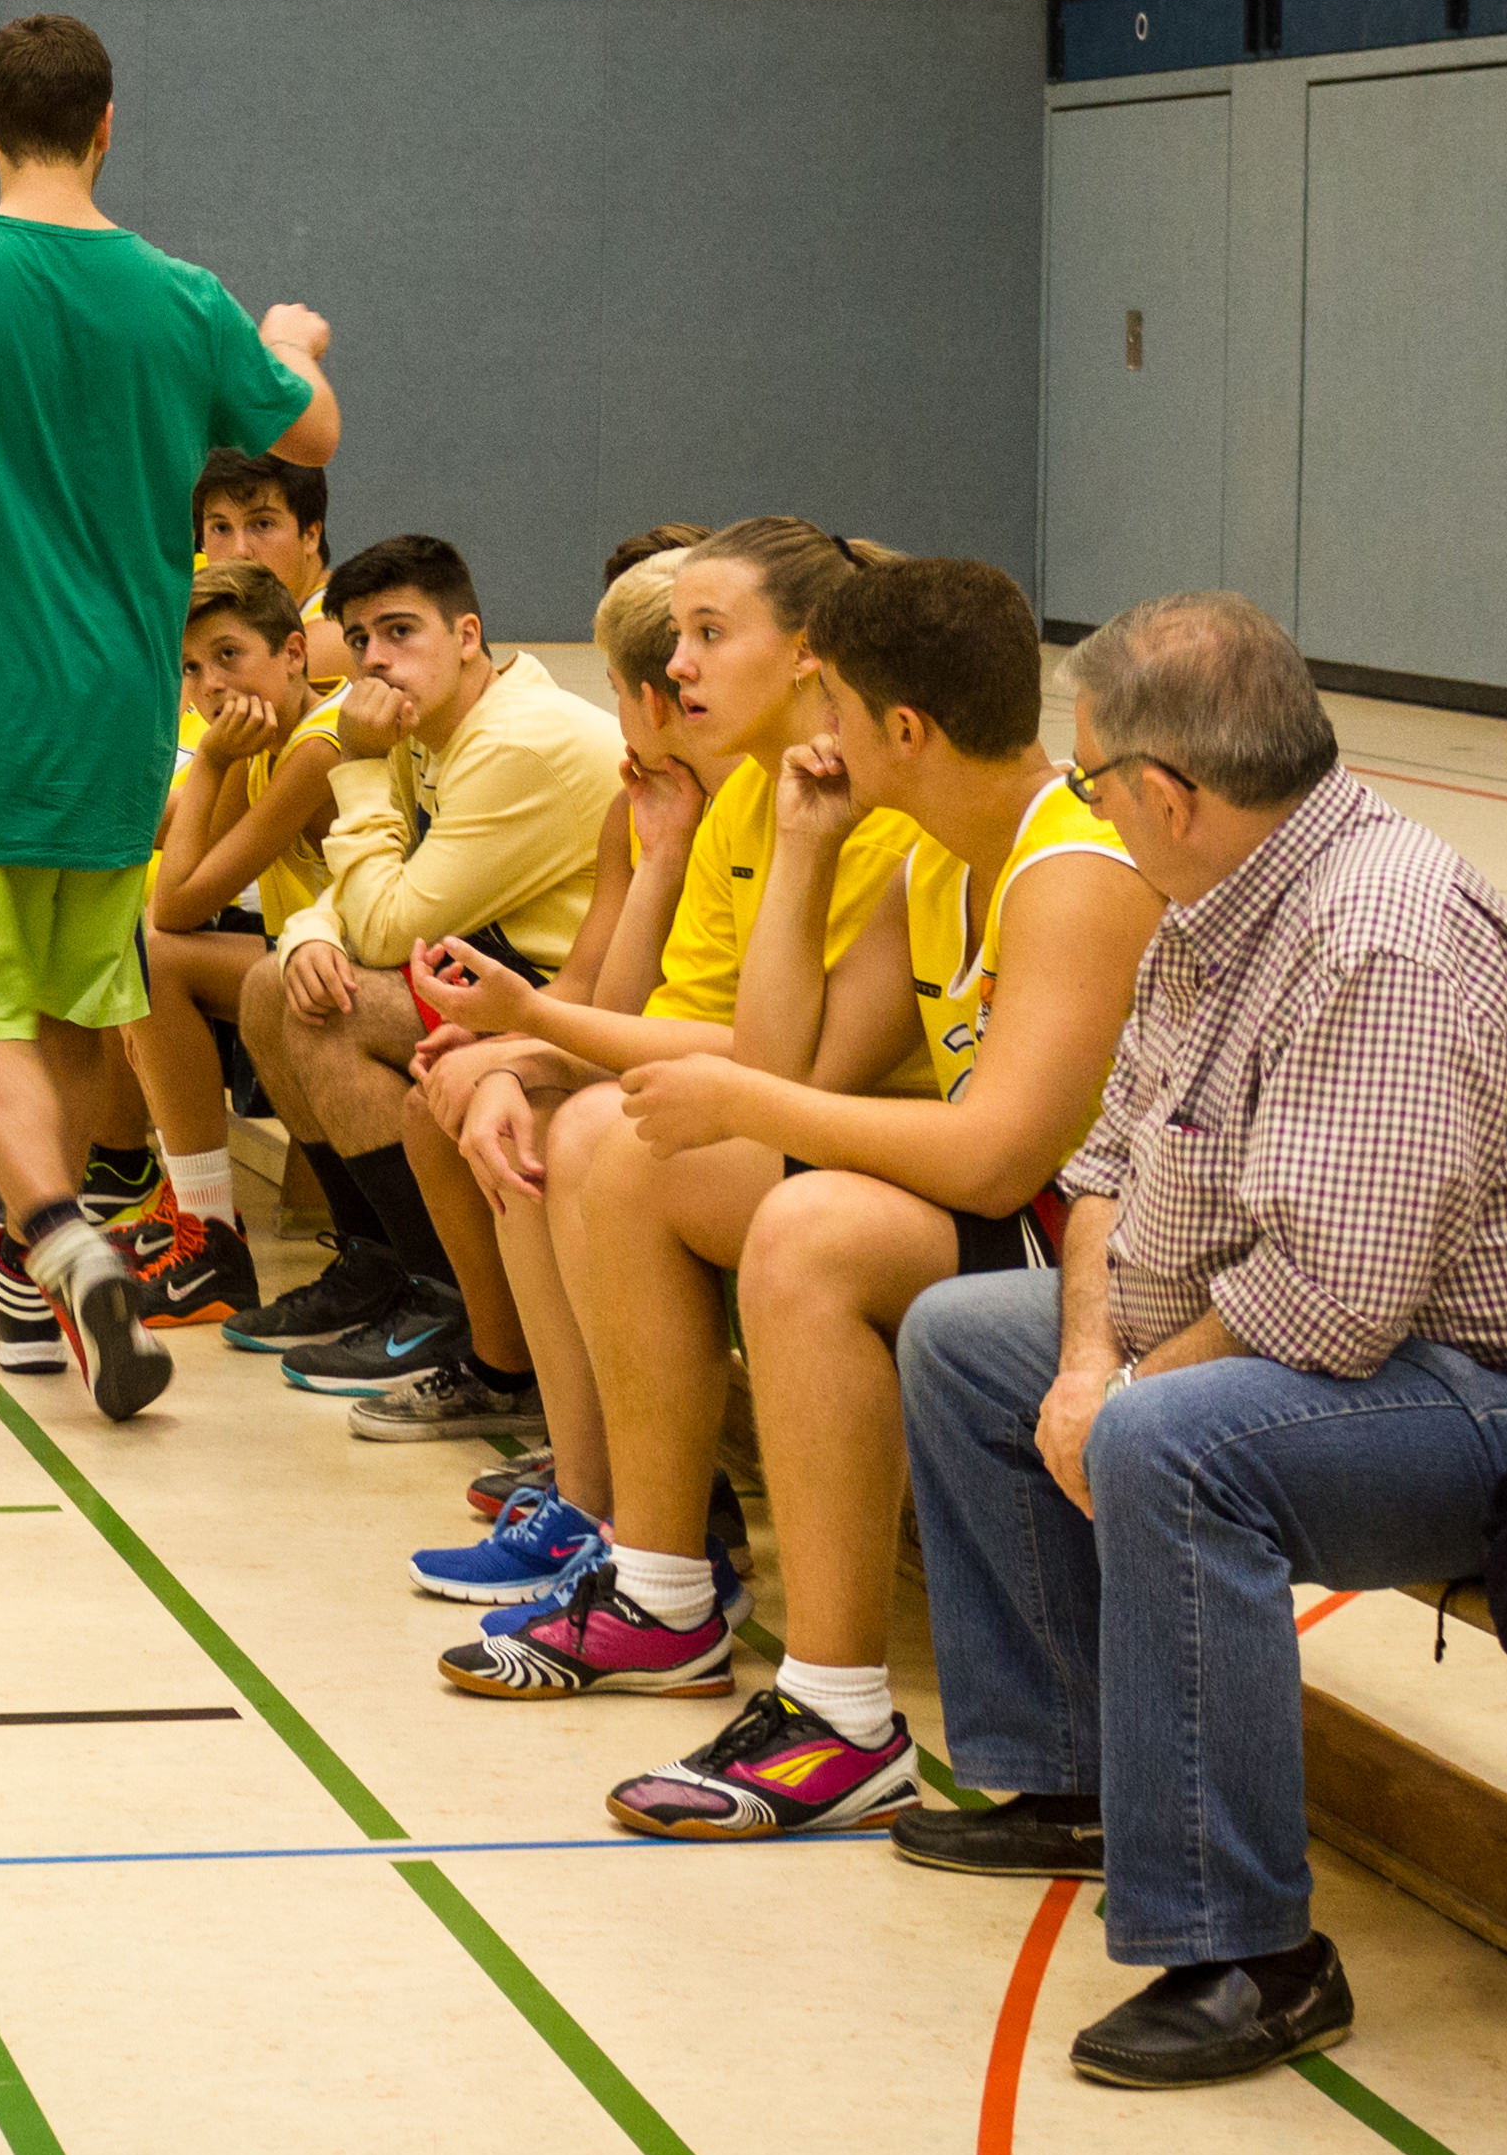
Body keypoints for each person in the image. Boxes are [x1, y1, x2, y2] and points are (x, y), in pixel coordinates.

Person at [891, 591, 1507, 2089]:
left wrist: (1124, 1392)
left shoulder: (1380, 937)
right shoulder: (1213, 904)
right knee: (965, 1341)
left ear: (1168, 792)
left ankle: (1254, 1954)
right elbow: (1103, 1172)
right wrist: (1084, 1362)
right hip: (1371, 1361)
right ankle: (1076, 1776)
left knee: (1169, 1444)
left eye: (1090, 776)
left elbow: (1333, 1301)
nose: (1081, 800)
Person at [0, 12, 336, 1417]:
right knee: (74, 999)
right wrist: (287, 343)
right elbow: (311, 431)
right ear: (106, 128)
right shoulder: (182, 298)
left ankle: (52, 1230)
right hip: (115, 712)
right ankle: (28, 1298)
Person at [589, 556, 1157, 1838]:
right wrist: (804, 848)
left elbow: (996, 1161)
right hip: (1041, 1220)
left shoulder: (1071, 868)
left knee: (813, 1235)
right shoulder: (934, 860)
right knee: (645, 1159)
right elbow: (776, 1062)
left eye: (832, 703)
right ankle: (660, 1588)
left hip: (1120, 1247)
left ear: (902, 730)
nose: (816, 730)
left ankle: (839, 1712)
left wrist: (749, 1108)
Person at [403, 516, 917, 1662]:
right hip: (806, 1122)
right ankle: (636, 1549)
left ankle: (661, 1567)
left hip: (895, 1148)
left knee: (607, 1136)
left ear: (808, 649)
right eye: (677, 638)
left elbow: (799, 1071)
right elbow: (696, 1024)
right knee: (570, 1121)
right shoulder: (751, 799)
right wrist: (529, 1048)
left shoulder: (878, 807)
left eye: (709, 634)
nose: (678, 667)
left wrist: (536, 1029)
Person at [359, 547, 720, 1494]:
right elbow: (599, 988)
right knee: (468, 1098)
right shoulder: (641, 808)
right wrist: (510, 1040)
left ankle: (620, 1481)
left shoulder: (764, 810)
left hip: (715, 1087)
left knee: (556, 1132)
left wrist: (521, 1039)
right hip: (651, 1054)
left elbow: (718, 1039)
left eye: (614, 688)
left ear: (653, 701)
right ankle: (563, 1437)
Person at [225, 535, 622, 1396]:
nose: (376, 660)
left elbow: (388, 926)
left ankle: (443, 1299)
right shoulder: (427, 728)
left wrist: (362, 767)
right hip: (491, 969)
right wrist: (310, 933)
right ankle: (376, 1264)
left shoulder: (517, 744)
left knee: (330, 1011)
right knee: (274, 984)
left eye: (400, 632)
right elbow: (362, 899)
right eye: (359, 639)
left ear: (467, 635)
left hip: (573, 998)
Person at [122, 558, 346, 1326]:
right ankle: (186, 1209)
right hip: (315, 959)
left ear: (294, 652)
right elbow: (172, 848)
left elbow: (179, 903)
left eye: (228, 655)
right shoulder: (265, 742)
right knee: (121, 935)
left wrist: (215, 760)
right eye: (191, 668)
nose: (211, 685)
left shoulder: (319, 747)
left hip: (376, 969)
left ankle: (204, 1229)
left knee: (151, 955)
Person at [194, 448, 350, 688]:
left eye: (262, 524)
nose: (239, 551)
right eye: (221, 528)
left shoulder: (331, 639)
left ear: (310, 535)